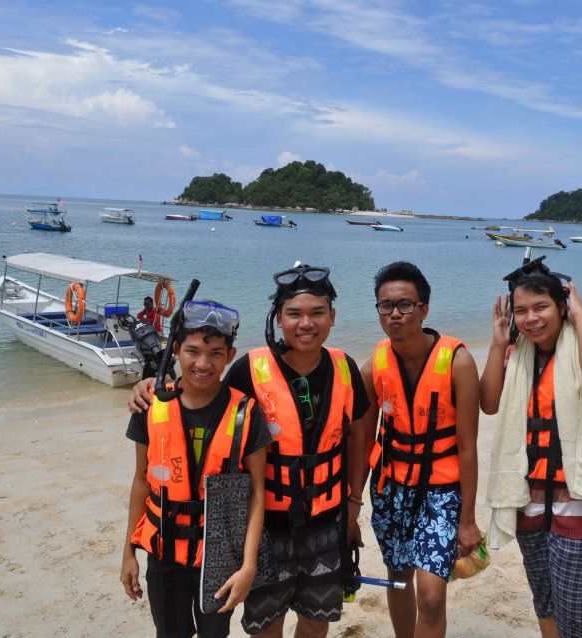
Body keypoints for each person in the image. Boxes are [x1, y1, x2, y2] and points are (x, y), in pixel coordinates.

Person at [130, 264, 371, 638]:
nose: (306, 323)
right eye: (294, 313)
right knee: (266, 626)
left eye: (317, 313)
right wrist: (151, 387)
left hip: (326, 521)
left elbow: (358, 438)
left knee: (316, 621)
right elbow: (203, 394)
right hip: (266, 529)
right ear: (278, 318)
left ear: (332, 317)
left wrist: (353, 503)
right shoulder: (249, 370)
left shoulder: (345, 368)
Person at [479, 257, 582, 638]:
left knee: (579, 608)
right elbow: (489, 402)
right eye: (521, 311)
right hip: (529, 499)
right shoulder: (516, 354)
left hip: (580, 499)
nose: (531, 319)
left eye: (540, 307)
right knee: (544, 600)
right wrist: (498, 342)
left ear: (561, 306)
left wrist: (580, 313)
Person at [121, 300, 271, 638]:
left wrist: (248, 567)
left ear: (230, 356)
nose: (203, 363)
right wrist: (129, 552)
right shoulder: (150, 405)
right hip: (164, 553)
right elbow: (141, 480)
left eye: (216, 353)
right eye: (192, 351)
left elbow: (256, 493)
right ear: (175, 350)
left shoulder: (246, 413)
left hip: (219, 555)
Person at [354, 261, 482, 638]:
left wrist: (468, 519)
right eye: (386, 306)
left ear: (423, 309)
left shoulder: (457, 361)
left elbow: (468, 447)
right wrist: (352, 503)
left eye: (405, 305)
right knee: (398, 578)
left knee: (431, 595)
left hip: (442, 491)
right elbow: (362, 439)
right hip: (391, 488)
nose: (395, 314)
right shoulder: (375, 364)